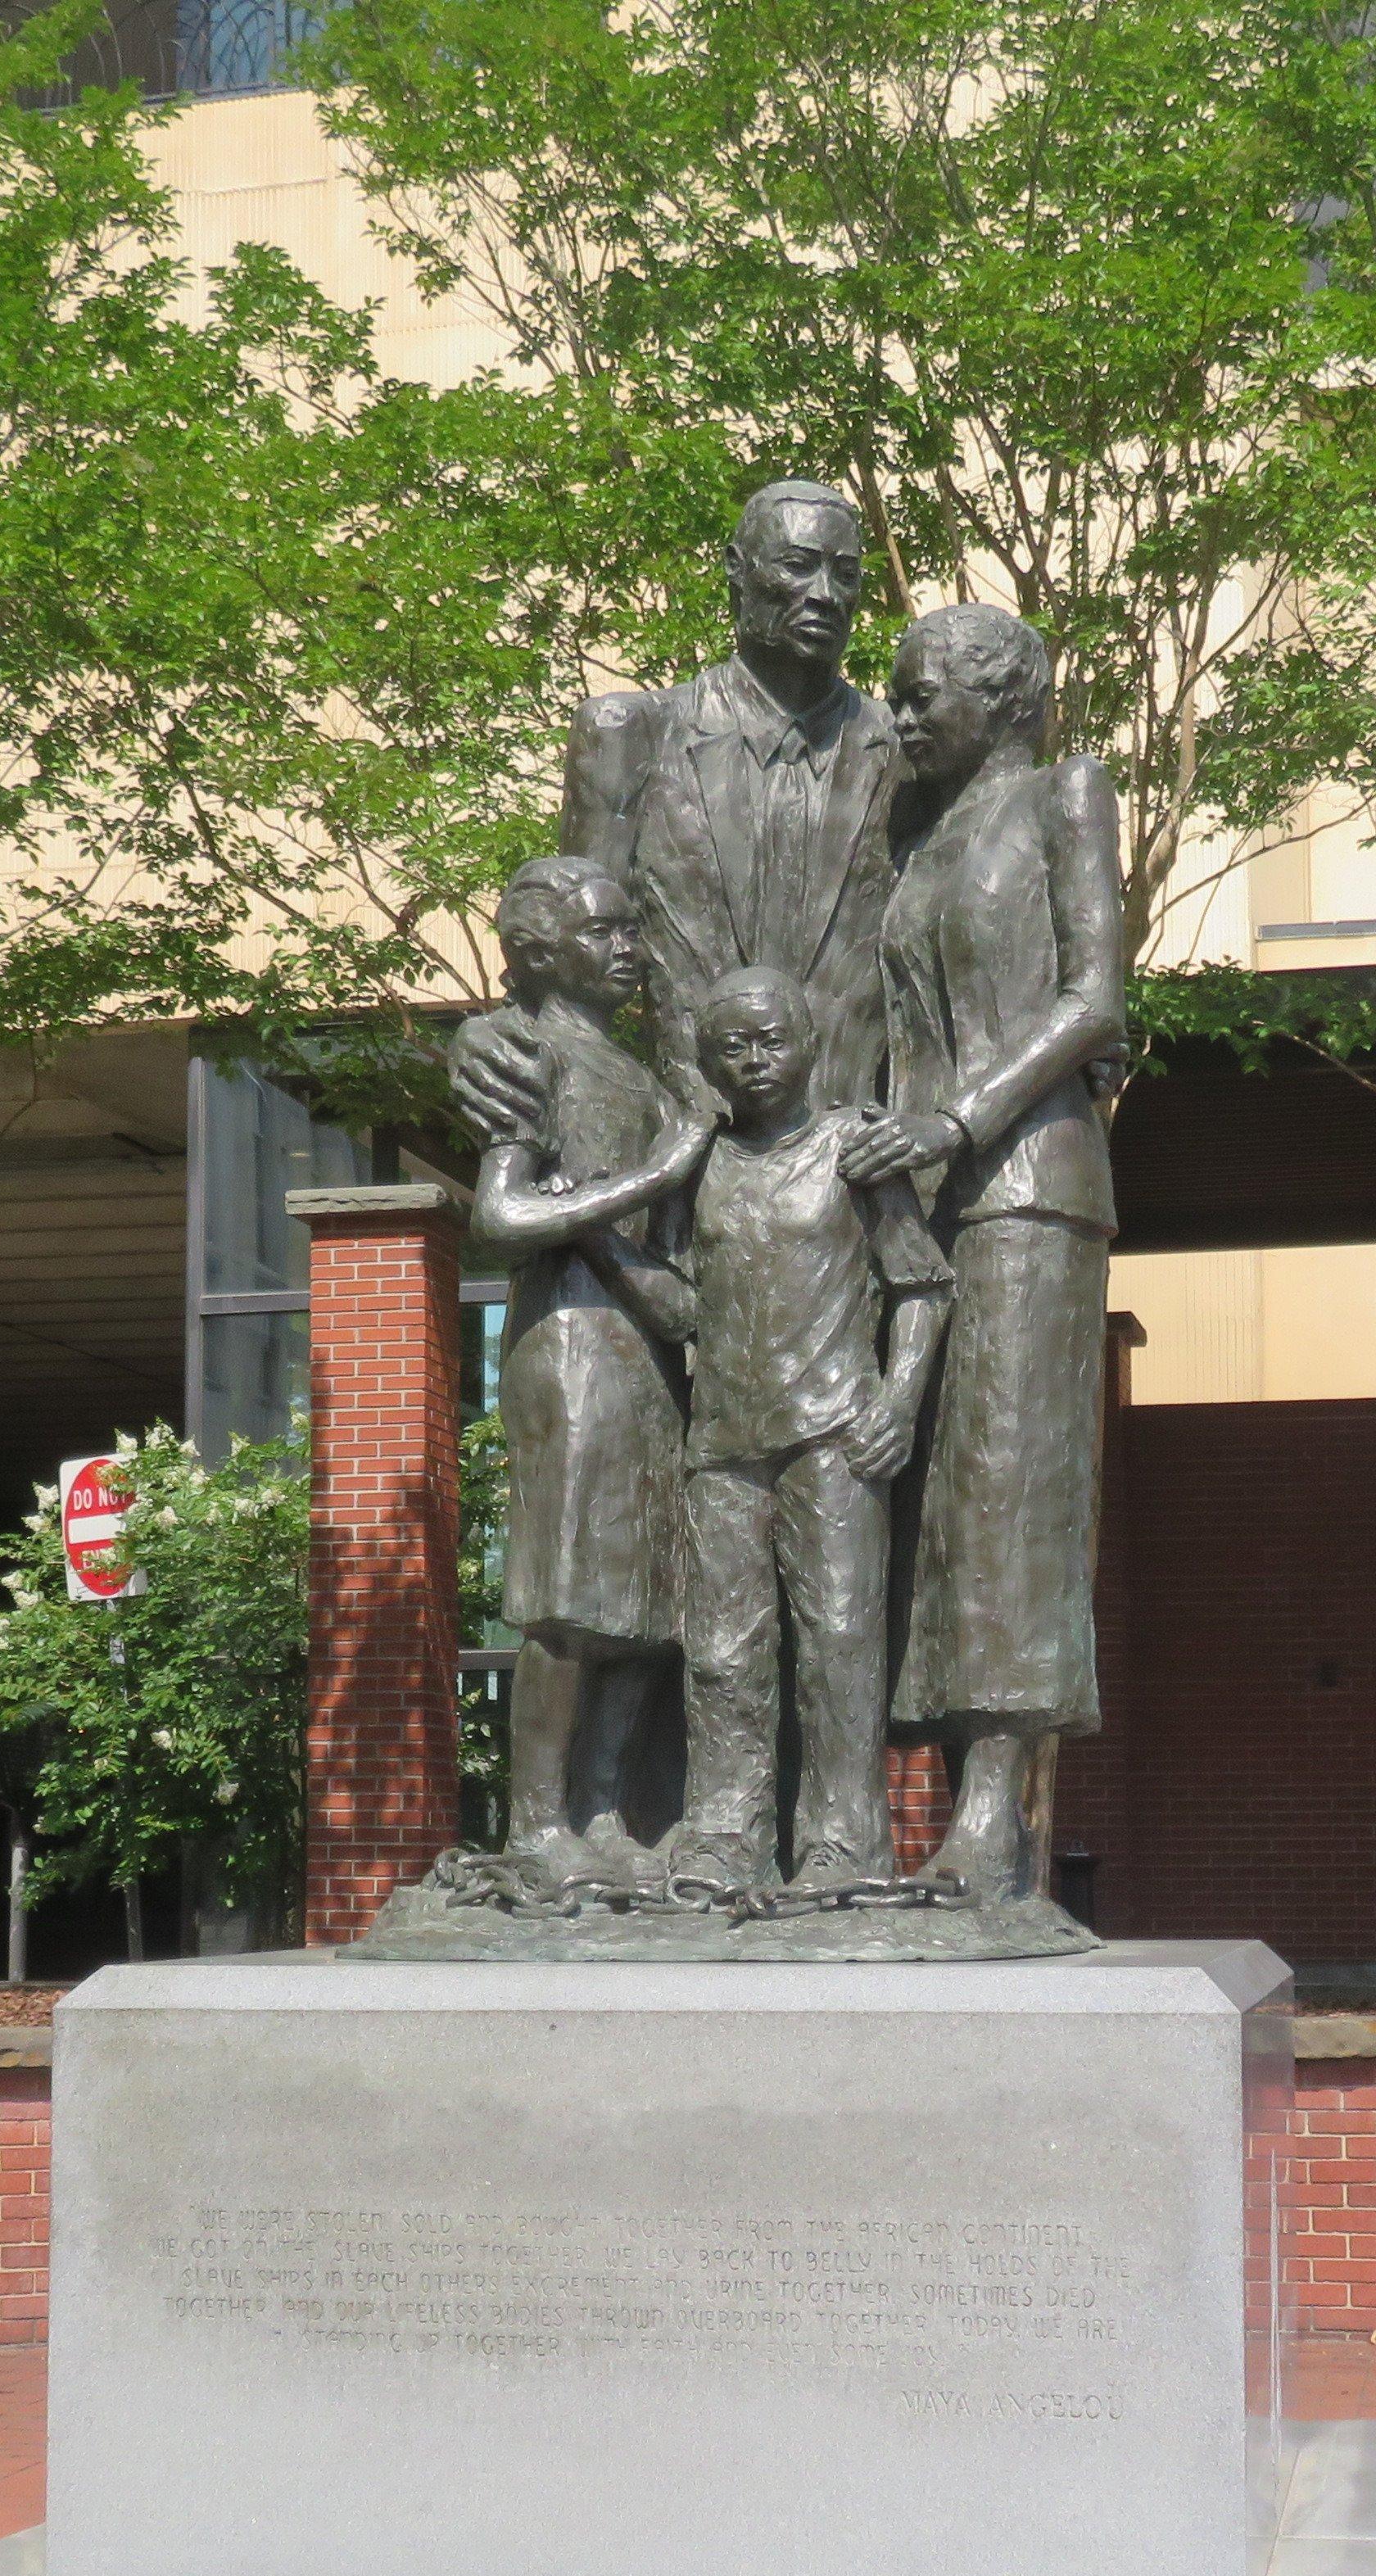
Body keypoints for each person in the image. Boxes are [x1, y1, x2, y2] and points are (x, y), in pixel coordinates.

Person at [844, 602, 1125, 1902]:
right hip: (920, 1203)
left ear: (1005, 700)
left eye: (922, 695)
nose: (901, 715)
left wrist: (957, 1119)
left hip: (1026, 1191)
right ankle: (953, 1820)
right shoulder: (918, 833)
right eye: (894, 694)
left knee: (1008, 1496)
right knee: (932, 1510)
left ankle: (995, 1815)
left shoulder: (1066, 797)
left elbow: (1093, 1001)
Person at [654, 969, 950, 1898]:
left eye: (770, 1038)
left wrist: (898, 1402)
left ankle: (841, 1846)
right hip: (726, 1447)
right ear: (709, 1061)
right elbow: (672, 1296)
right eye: (732, 1045)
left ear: (808, 1041)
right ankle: (725, 1836)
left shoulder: (854, 1148)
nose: (754, 1059)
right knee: (724, 1652)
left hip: (835, 1439)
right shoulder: (693, 1165)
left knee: (839, 1644)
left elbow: (923, 1287)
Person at [454, 855, 716, 1894]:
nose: (628, 949)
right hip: (568, 1350)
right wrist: (656, 1173)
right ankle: (536, 1825)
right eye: (604, 932)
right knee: (566, 1605)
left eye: (629, 930)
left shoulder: (644, 1074)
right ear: (539, 951)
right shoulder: (528, 1054)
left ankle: (603, 1813)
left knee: (648, 1606)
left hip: (647, 1350)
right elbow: (499, 1219)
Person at [544, 480, 900, 1122]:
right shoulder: (634, 735)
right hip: (688, 1148)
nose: (824, 593)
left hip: (857, 1154)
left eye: (844, 574)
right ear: (738, 571)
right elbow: (572, 969)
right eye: (798, 565)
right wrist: (505, 1043)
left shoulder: (904, 754)